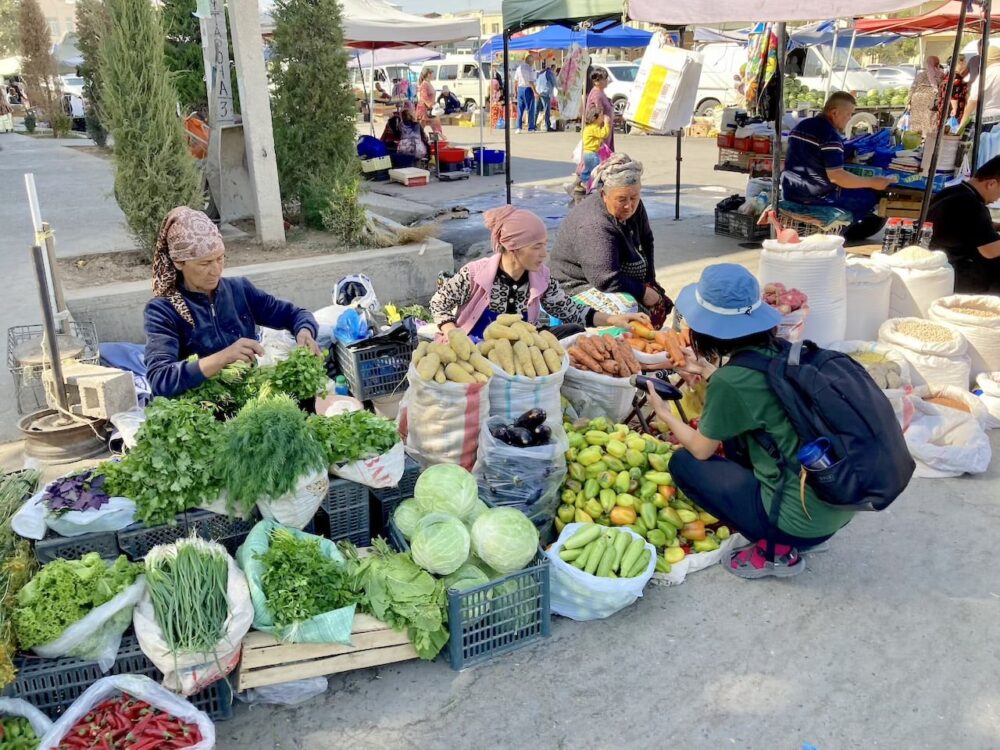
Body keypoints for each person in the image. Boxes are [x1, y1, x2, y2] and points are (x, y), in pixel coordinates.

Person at [644, 264, 855, 579]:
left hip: (798, 521)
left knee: (684, 464)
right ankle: (793, 529)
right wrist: (709, 371)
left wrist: (662, 413)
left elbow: (701, 450)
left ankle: (776, 549)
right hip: (837, 501)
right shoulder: (783, 352)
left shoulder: (732, 381)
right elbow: (758, 395)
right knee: (738, 439)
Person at [144, 207, 320, 398]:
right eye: (205, 263)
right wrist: (224, 357)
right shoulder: (162, 310)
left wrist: (305, 331)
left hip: (243, 398)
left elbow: (294, 314)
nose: (216, 270)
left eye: (220, 259)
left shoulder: (239, 290)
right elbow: (160, 379)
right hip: (199, 407)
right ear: (179, 262)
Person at [429, 206, 651, 339]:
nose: (544, 254)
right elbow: (438, 303)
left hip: (523, 350)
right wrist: (452, 333)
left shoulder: (541, 278)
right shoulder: (475, 274)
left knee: (573, 330)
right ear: (513, 248)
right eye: (536, 247)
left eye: (544, 245)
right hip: (473, 350)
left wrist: (615, 319)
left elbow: (571, 311)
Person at [550, 154, 672, 328]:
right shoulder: (594, 224)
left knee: (659, 301)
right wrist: (642, 291)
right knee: (627, 309)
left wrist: (649, 281)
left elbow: (646, 240)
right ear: (604, 195)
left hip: (609, 275)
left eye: (634, 198)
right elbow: (604, 278)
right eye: (621, 199)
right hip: (574, 284)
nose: (629, 205)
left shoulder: (634, 205)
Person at [781, 92, 895, 237]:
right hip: (815, 197)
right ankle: (836, 231)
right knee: (869, 197)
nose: (849, 119)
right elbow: (837, 177)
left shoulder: (802, 126)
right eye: (848, 115)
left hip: (790, 190)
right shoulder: (830, 135)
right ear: (834, 112)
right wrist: (872, 182)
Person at [926, 155, 1000, 293]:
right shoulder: (972, 205)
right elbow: (989, 251)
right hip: (957, 273)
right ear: (991, 184)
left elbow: (971, 228)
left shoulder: (951, 192)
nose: (997, 199)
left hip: (938, 261)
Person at [568, 105, 611, 195]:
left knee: (588, 170)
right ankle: (588, 187)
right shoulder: (593, 128)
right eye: (601, 116)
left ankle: (579, 185)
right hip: (591, 154)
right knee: (595, 171)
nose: (603, 118)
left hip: (588, 153)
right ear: (595, 118)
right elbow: (604, 134)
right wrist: (607, 123)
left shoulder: (590, 127)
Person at [961, 45, 1000, 133]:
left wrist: (962, 125)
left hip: (986, 121)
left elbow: (973, 101)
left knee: (983, 146)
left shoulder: (986, 74)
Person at [905, 55, 943, 135]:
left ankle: (917, 139)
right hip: (930, 101)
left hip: (917, 100)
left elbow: (912, 88)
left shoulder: (920, 75)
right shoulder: (940, 74)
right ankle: (927, 138)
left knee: (917, 123)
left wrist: (908, 102)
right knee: (930, 122)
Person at [586, 68, 615, 151]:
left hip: (605, 129)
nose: (607, 81)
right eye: (604, 79)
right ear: (597, 81)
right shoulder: (597, 95)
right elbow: (599, 114)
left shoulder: (601, 92)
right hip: (600, 131)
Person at [514, 54, 538, 133]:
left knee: (520, 109)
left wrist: (515, 91)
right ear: (530, 61)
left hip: (520, 89)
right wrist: (535, 92)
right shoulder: (529, 68)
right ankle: (531, 128)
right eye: (533, 61)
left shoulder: (518, 68)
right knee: (531, 109)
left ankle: (518, 128)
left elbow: (515, 81)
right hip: (528, 89)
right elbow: (530, 82)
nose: (533, 62)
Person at [416, 68, 443, 135]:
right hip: (424, 108)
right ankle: (417, 139)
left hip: (430, 108)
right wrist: (430, 105)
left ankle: (438, 140)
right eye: (431, 73)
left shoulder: (428, 83)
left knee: (436, 125)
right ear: (427, 74)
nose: (432, 75)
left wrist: (434, 103)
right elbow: (424, 96)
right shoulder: (424, 84)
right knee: (421, 126)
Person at [535, 61, 557, 132]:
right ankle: (548, 126)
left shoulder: (541, 73)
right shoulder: (550, 73)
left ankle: (532, 125)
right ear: (553, 68)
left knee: (537, 109)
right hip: (545, 93)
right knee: (546, 110)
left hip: (539, 92)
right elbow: (555, 83)